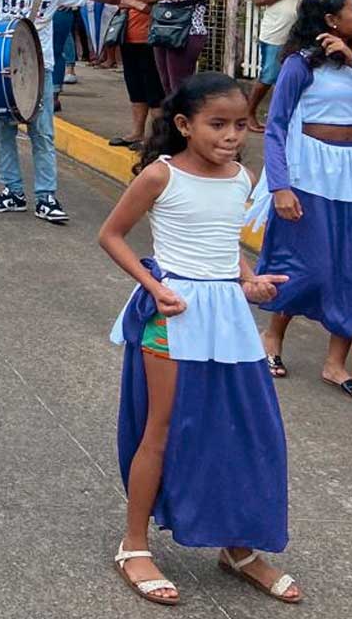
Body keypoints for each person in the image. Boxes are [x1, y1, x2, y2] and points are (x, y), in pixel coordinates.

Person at [99, 73, 299, 607]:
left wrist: (247, 279)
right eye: (218, 124)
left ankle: (238, 546)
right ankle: (134, 544)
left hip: (227, 316)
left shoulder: (240, 177)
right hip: (173, 315)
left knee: (242, 430)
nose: (232, 135)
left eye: (239, 125)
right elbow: (111, 235)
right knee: (160, 431)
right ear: (185, 126)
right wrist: (152, 284)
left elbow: (222, 244)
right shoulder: (160, 176)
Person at [0, 0, 120, 224]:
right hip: (2, 65)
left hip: (39, 67)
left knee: (41, 132)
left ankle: (46, 197)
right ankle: (13, 192)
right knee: (3, 130)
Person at [250, 0, 352, 392]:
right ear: (331, 21)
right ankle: (272, 336)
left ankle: (335, 362)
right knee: (304, 264)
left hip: (349, 173)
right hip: (308, 175)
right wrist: (279, 186)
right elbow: (274, 128)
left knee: (349, 268)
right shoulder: (300, 64)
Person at [247, 0, 318, 131]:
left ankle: (288, 116)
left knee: (299, 72)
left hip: (303, 31)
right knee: (269, 74)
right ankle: (249, 111)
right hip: (275, 31)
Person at [109, 0, 168, 149]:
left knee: (153, 89)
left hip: (150, 37)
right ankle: (136, 132)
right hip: (130, 34)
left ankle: (156, 138)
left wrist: (133, 2)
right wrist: (135, 3)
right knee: (135, 87)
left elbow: (146, 0)